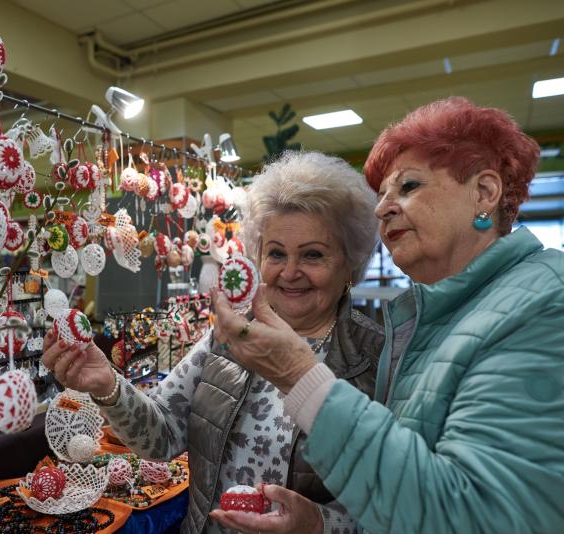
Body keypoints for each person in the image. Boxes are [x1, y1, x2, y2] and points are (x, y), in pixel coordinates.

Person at [210, 97, 564, 534]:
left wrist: (297, 373)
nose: (382, 208)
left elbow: (472, 514)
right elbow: (403, 491)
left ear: (484, 193)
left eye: (409, 186)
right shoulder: (436, 318)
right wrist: (320, 523)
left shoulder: (541, 305)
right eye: (382, 195)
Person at [42, 151, 384, 533]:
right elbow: (162, 438)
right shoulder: (228, 337)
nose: (290, 272)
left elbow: (400, 510)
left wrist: (320, 524)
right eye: (276, 253)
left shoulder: (377, 360)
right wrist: (108, 386)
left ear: (350, 263)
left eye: (313, 255)